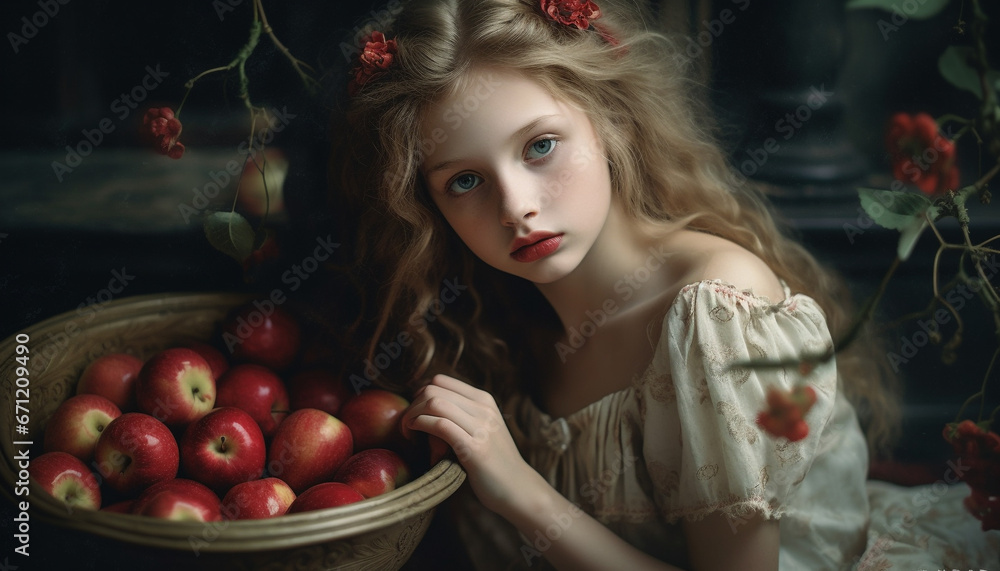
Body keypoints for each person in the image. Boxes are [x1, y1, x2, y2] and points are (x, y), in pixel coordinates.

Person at [328, 0, 1000, 569]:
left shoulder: (714, 306)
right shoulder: (503, 327)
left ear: (612, 120)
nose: (516, 206)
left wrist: (521, 491)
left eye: (540, 146)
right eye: (464, 181)